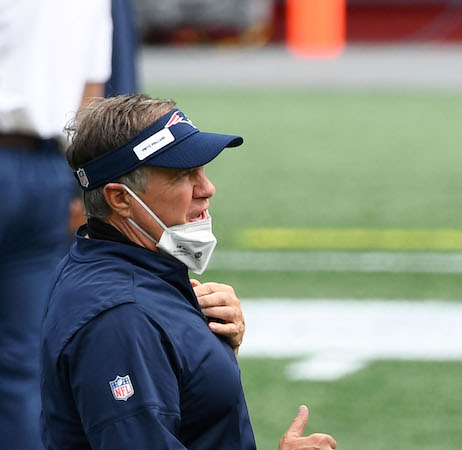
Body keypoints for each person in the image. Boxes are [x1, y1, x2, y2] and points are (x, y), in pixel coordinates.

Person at [40, 94, 337, 450]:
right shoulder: (121, 319)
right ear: (120, 200)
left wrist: (204, 344)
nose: (207, 188)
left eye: (202, 170)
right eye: (183, 174)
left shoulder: (120, 270)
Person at [0, 1, 112, 448]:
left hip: (40, 166)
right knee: (24, 364)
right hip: (47, 169)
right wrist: (80, 188)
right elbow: (91, 95)